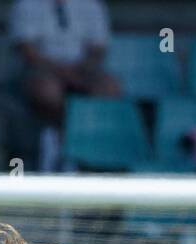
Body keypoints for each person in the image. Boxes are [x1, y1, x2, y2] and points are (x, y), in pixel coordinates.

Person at [8, 0, 121, 171]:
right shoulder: (26, 5)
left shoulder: (92, 5)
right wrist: (60, 71)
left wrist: (81, 69)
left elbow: (98, 47)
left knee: (110, 88)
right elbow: (27, 49)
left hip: (82, 71)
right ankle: (58, 142)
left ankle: (83, 151)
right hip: (42, 70)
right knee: (47, 92)